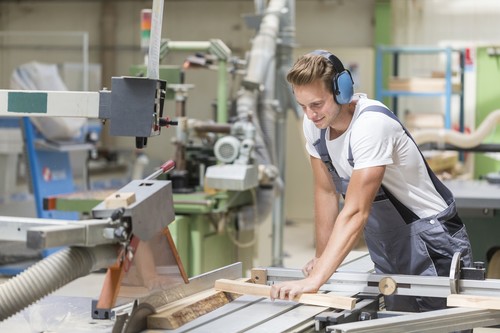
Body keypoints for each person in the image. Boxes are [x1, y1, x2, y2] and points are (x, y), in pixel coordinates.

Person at [270, 50, 473, 314]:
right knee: (397, 324)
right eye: (303, 106)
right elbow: (326, 192)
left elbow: (355, 212)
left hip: (431, 241)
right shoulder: (316, 126)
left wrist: (314, 280)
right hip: (387, 242)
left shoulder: (371, 125)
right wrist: (320, 261)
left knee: (438, 325)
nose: (310, 115)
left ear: (341, 90)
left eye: (317, 104)